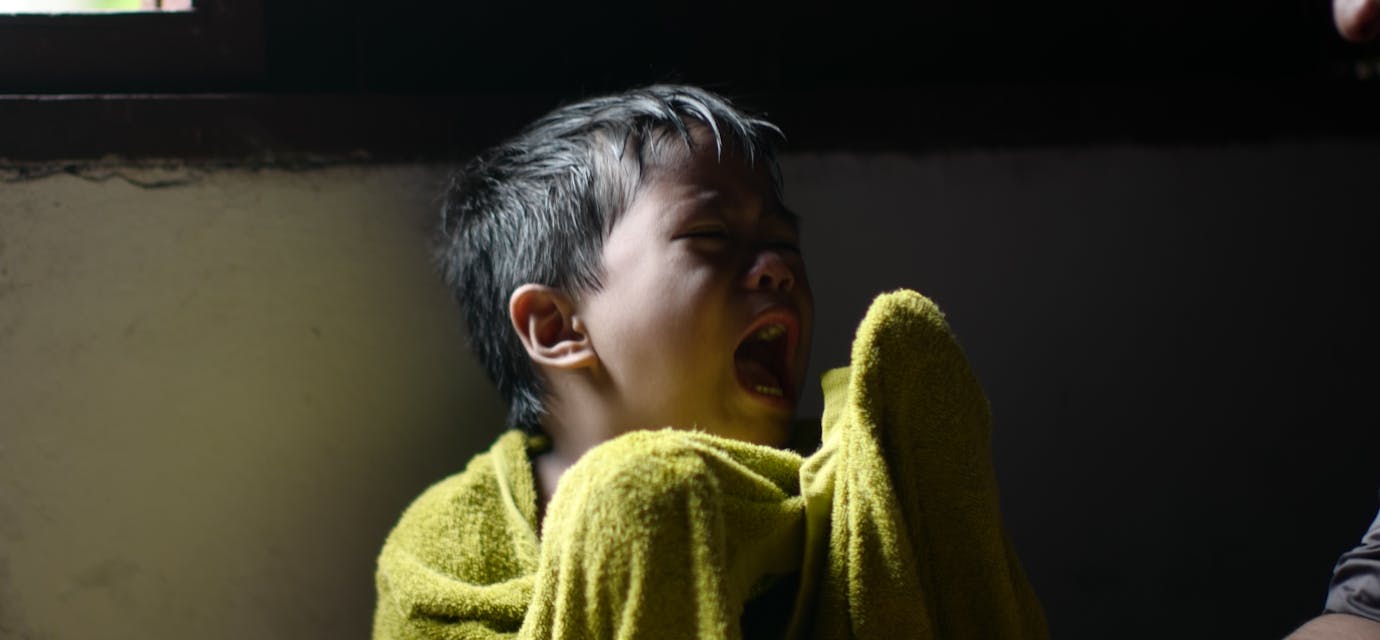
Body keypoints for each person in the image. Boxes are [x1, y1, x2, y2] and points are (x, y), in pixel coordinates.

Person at [372, 85, 1045, 639]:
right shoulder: (446, 553)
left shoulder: (855, 495)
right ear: (556, 327)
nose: (778, 267)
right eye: (710, 236)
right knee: (642, 491)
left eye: (783, 241)